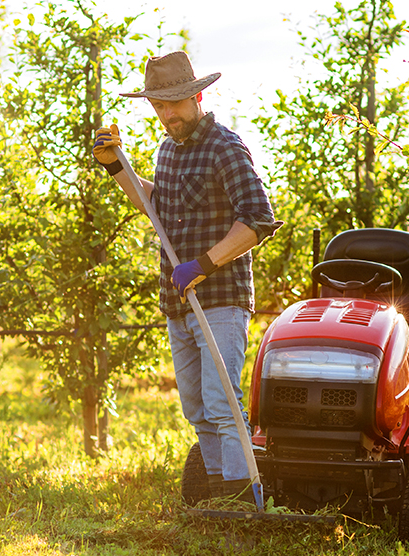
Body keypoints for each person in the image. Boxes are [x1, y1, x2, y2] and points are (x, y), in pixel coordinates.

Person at [92, 51, 281, 499]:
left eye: (175, 102)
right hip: (176, 301)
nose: (167, 113)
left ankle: (243, 501)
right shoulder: (167, 149)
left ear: (197, 95)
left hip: (219, 298)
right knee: (197, 408)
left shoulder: (225, 146)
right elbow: (157, 205)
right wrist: (117, 166)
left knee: (222, 404)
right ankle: (218, 496)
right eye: (159, 105)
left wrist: (204, 264)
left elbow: (258, 220)